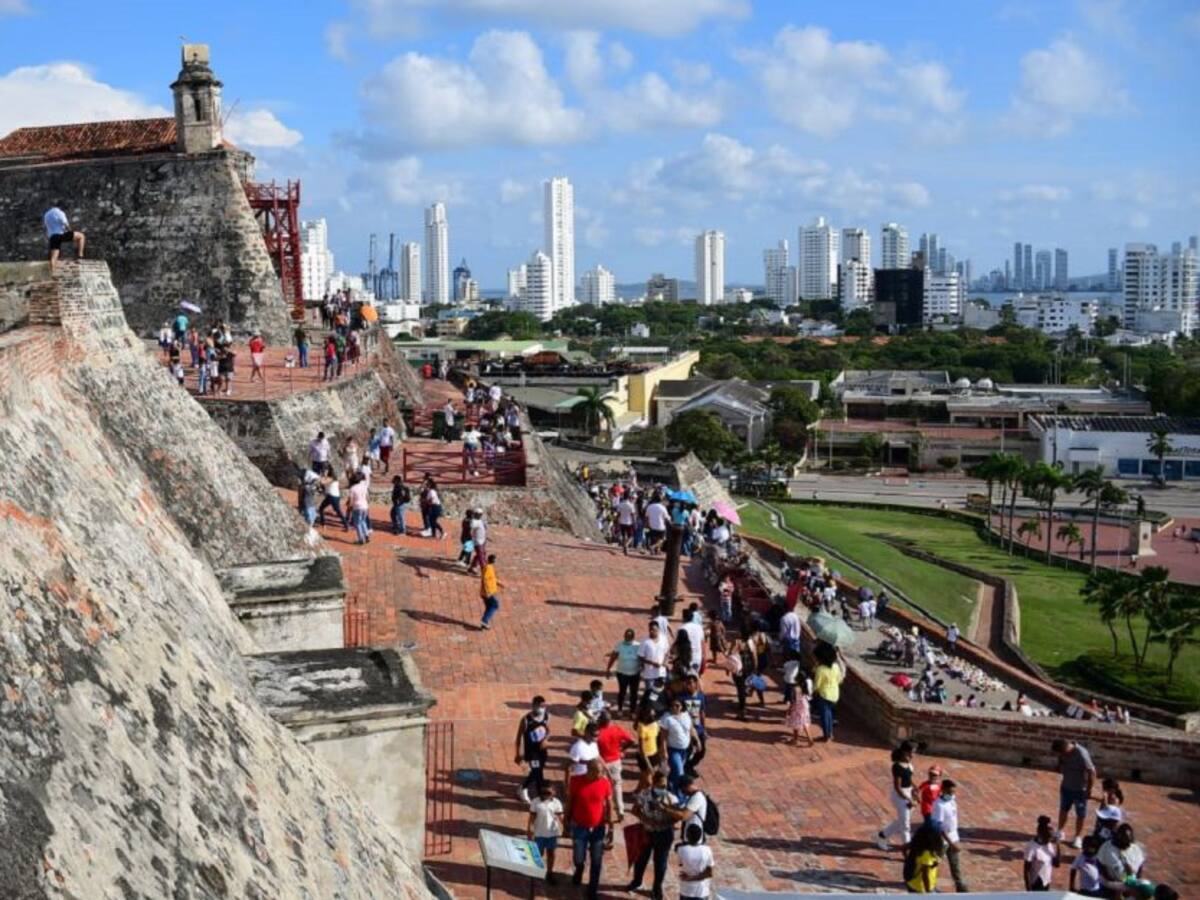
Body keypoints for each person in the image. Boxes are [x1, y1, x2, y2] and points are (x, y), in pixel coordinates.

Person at [564, 758, 616, 900]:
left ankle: (592, 889)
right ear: (590, 770)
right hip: (579, 826)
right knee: (579, 856)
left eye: (602, 772)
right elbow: (569, 802)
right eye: (599, 772)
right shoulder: (576, 781)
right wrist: (565, 821)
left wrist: (611, 828)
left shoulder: (605, 783)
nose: (601, 774)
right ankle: (579, 869)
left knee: (596, 859)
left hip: (598, 827)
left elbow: (610, 805)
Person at [627, 770, 677, 900]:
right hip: (647, 832)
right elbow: (635, 810)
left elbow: (677, 817)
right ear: (654, 783)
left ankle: (657, 887)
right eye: (660, 786)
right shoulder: (644, 795)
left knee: (660, 862)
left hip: (664, 833)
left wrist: (666, 816)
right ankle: (636, 881)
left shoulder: (671, 798)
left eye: (665, 786)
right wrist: (645, 819)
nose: (663, 788)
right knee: (641, 859)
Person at [1052, 738, 1096, 849]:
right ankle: (1060, 831)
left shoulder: (1082, 754)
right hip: (1066, 786)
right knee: (1063, 809)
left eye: (1062, 753)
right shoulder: (1063, 753)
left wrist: (1089, 790)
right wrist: (1059, 766)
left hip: (1079, 790)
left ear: (1066, 749)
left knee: (1080, 814)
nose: (1062, 755)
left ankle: (1077, 837)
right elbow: (1060, 760)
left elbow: (1092, 772)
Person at [930, 778, 968, 892]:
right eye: (950, 792)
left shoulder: (951, 800)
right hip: (942, 840)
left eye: (953, 792)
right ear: (944, 790)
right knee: (934, 863)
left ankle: (960, 887)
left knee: (955, 864)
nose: (952, 794)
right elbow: (939, 828)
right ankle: (930, 884)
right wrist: (951, 843)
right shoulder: (939, 806)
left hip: (953, 836)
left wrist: (955, 840)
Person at [877, 741, 916, 850]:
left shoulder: (910, 765)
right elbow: (898, 787)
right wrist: (908, 799)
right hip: (900, 796)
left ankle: (882, 835)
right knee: (906, 825)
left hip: (908, 794)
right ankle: (907, 849)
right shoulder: (897, 767)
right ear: (905, 752)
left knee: (902, 820)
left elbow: (909, 779)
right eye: (911, 753)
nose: (913, 755)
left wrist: (915, 789)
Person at [595, 711, 634, 820]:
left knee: (603, 788)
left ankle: (604, 812)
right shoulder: (616, 729)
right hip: (616, 761)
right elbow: (632, 740)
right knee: (617, 786)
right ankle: (620, 810)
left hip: (602, 763)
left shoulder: (598, 733)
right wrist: (622, 750)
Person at [658, 698, 698, 799]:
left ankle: (670, 789)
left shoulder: (686, 715)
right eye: (672, 706)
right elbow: (663, 737)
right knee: (679, 772)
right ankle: (679, 796)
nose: (674, 708)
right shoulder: (667, 718)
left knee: (675, 772)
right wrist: (664, 751)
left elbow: (691, 728)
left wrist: (697, 740)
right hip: (673, 750)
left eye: (677, 705)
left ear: (682, 706)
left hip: (685, 749)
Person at [516, 695, 551, 803]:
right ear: (534, 706)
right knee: (538, 774)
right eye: (540, 706)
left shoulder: (546, 716)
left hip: (542, 751)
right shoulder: (526, 720)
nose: (542, 708)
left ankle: (523, 787)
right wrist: (518, 754)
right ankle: (541, 797)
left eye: (543, 706)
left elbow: (548, 731)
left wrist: (546, 739)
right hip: (531, 752)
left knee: (537, 771)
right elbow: (518, 737)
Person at [527, 783, 564, 884]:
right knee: (538, 853)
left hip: (552, 833)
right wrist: (529, 829)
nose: (544, 795)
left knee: (551, 853)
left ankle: (550, 872)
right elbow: (532, 817)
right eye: (542, 792)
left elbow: (561, 817)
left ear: (553, 793)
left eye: (548, 792)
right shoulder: (535, 802)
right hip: (539, 833)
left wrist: (566, 827)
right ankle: (536, 871)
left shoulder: (557, 803)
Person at [1098, 823, 1147, 897]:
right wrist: (1111, 881)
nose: (1128, 844)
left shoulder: (1135, 849)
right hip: (1111, 885)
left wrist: (1136, 882)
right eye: (1126, 840)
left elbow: (1140, 865)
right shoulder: (1106, 847)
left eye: (1130, 840)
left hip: (1131, 886)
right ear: (1119, 837)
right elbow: (1100, 864)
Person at [811, 642, 845, 742]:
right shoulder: (835, 666)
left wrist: (811, 691)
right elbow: (839, 680)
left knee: (824, 717)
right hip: (835, 694)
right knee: (829, 715)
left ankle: (827, 736)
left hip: (824, 695)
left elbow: (817, 685)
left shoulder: (820, 669)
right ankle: (830, 734)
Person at [606, 628, 641, 716]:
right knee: (622, 692)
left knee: (634, 693)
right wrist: (608, 668)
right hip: (622, 674)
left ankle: (632, 711)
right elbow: (613, 657)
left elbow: (642, 658)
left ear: (633, 637)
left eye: (629, 636)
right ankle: (620, 709)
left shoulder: (638, 646)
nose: (627, 637)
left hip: (635, 674)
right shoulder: (619, 645)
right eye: (626, 636)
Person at [903, 821, 944, 893]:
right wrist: (928, 893)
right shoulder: (927, 854)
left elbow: (903, 848)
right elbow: (925, 875)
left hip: (913, 883)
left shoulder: (917, 842)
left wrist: (908, 860)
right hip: (921, 887)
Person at [677, 823, 715, 900]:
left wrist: (689, 878)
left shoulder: (681, 850)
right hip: (702, 891)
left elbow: (680, 864)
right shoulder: (707, 850)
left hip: (686, 890)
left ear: (687, 836)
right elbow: (709, 873)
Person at [1023, 815, 1061, 891]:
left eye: (1051, 837)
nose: (1050, 840)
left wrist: (1058, 845)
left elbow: (1057, 864)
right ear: (1041, 834)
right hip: (1036, 882)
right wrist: (1028, 889)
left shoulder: (1048, 845)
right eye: (1048, 837)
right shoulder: (1032, 847)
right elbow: (1026, 870)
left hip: (1046, 881)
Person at [44, 205, 85, 271]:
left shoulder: (46, 215)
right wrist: (70, 231)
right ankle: (80, 256)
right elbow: (65, 223)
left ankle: (52, 274)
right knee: (81, 236)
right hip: (61, 234)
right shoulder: (59, 212)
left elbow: (47, 226)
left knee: (54, 257)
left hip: (53, 236)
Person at [784, 665, 813, 747]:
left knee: (796, 724)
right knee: (805, 723)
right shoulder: (805, 686)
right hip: (805, 706)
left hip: (797, 708)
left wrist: (789, 709)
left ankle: (795, 740)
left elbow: (794, 701)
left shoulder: (795, 688)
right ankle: (810, 739)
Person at [634, 703, 661, 780]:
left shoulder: (655, 724)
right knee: (648, 779)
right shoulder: (641, 727)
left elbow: (658, 738)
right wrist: (648, 764)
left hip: (654, 753)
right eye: (652, 714)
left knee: (648, 777)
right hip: (645, 756)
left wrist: (660, 752)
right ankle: (639, 791)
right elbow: (641, 749)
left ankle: (637, 791)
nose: (654, 715)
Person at [639, 621, 669, 685]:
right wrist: (652, 663)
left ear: (658, 629)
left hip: (661, 673)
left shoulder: (664, 639)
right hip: (649, 674)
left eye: (653, 630)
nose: (651, 631)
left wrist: (664, 662)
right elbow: (640, 657)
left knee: (661, 693)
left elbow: (667, 652)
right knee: (649, 692)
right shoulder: (644, 641)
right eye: (650, 629)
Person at [479, 553, 502, 630]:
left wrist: (498, 583)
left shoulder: (490, 567)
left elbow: (491, 579)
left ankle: (484, 623)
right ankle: (484, 621)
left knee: (489, 607)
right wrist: (487, 591)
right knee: (495, 605)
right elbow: (485, 580)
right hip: (488, 592)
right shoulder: (488, 568)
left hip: (488, 592)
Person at [347, 472, 371, 544]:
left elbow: (351, 500)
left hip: (357, 507)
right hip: (365, 506)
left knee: (357, 523)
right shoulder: (364, 486)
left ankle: (361, 539)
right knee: (363, 521)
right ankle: (366, 536)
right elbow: (368, 498)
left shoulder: (352, 488)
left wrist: (349, 507)